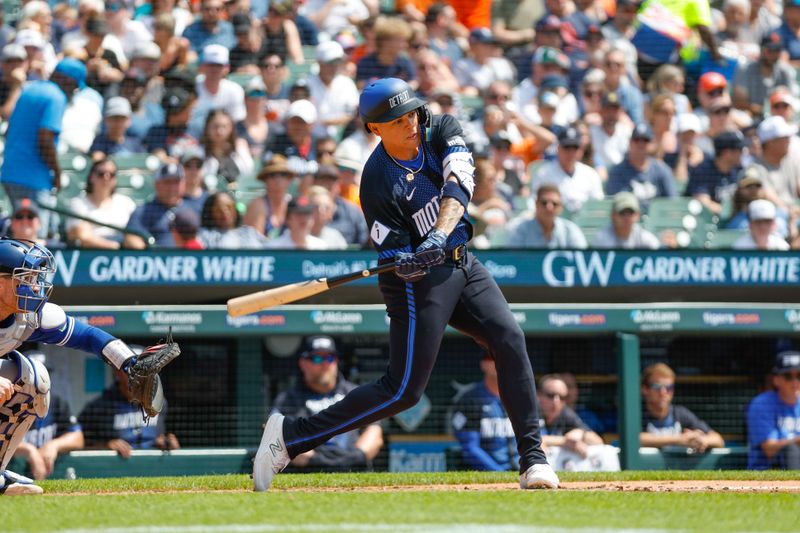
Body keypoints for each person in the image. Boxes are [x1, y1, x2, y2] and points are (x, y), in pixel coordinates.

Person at [253, 77, 560, 492]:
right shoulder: (377, 180)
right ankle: (290, 437)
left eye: (412, 111)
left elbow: (459, 184)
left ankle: (533, 460)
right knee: (403, 391)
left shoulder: (441, 129)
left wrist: (437, 235)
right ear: (375, 128)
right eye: (397, 119)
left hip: (461, 261)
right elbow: (395, 259)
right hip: (417, 284)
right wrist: (409, 260)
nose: (410, 122)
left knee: (509, 338)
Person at [0, 238, 176, 494]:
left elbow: (89, 337)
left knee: (34, 380)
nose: (34, 286)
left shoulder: (27, 318)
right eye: (24, 278)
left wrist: (130, 364)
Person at [1, 58, 86, 240]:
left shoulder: (31, 89)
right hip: (33, 179)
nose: (74, 91)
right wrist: (57, 172)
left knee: (16, 236)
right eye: (75, 87)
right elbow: (45, 137)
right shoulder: (56, 96)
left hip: (10, 174)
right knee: (35, 241)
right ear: (69, 81)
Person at [271, 336, 384, 471]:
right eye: (317, 358)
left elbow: (375, 432)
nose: (325, 364)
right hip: (308, 474)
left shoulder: (355, 393)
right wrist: (318, 461)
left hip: (353, 468)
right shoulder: (287, 399)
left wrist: (355, 458)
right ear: (303, 363)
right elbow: (280, 439)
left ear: (336, 362)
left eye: (330, 358)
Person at [79, 361, 180, 458]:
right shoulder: (97, 408)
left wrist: (168, 443)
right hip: (115, 469)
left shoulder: (159, 403)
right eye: (131, 372)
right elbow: (79, 446)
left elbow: (163, 438)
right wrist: (105, 447)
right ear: (117, 373)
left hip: (153, 468)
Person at [13, 351, 84, 480]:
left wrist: (53, 445)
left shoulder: (56, 403)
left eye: (45, 376)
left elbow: (78, 438)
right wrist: (29, 450)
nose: (41, 383)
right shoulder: (7, 402)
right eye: (35, 378)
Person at [451, 354, 518, 471]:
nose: (498, 363)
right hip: (489, 471)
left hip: (521, 469)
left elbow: (536, 439)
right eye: (492, 359)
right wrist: (499, 473)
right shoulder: (470, 400)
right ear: (483, 364)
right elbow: (470, 448)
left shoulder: (520, 397)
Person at [640, 363, 725, 453]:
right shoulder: (636, 413)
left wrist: (702, 440)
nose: (663, 392)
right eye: (657, 387)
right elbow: (629, 439)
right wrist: (678, 439)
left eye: (669, 387)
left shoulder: (680, 413)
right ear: (645, 389)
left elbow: (718, 439)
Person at [66, 158, 137, 249]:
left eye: (111, 174)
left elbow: (137, 233)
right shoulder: (78, 203)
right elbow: (81, 235)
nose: (106, 178)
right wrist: (114, 246)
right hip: (90, 254)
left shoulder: (126, 203)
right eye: (101, 174)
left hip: (124, 256)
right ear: (91, 177)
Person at [531, 127, 604, 213]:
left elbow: (598, 206)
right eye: (567, 147)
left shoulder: (590, 174)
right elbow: (533, 204)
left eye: (575, 147)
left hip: (586, 223)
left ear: (581, 150)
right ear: (558, 148)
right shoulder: (544, 173)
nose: (571, 152)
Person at [747, 351, 800, 470]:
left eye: (799, 376)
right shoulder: (762, 404)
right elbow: (769, 449)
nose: (795, 382)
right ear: (776, 380)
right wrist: (797, 441)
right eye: (788, 376)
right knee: (790, 449)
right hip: (766, 472)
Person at [606, 124, 678, 209]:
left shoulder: (662, 170)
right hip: (628, 220)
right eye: (637, 140)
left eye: (645, 140)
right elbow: (616, 206)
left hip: (656, 220)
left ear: (651, 143)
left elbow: (672, 203)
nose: (641, 144)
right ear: (630, 142)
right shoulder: (617, 172)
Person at [537, 374, 604, 458]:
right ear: (538, 395)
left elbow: (598, 442)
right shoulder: (530, 412)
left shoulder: (565, 413)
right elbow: (535, 442)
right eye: (550, 395)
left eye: (562, 397)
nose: (556, 401)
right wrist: (565, 441)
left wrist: (582, 434)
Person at [124, 162, 186, 249]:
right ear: (156, 184)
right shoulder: (144, 211)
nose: (172, 188)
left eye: (176, 182)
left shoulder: (192, 206)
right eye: (167, 182)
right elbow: (131, 239)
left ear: (183, 184)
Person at [505, 184, 587, 249]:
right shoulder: (520, 231)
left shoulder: (571, 230)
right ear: (536, 204)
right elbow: (513, 260)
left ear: (561, 207)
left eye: (554, 204)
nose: (549, 208)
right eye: (544, 203)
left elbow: (581, 259)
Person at [198, 191, 270, 249]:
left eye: (229, 207)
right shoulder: (204, 236)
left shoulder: (250, 233)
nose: (225, 212)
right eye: (218, 209)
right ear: (210, 213)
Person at [593, 192, 661, 250]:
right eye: (622, 213)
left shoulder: (642, 235)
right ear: (613, 215)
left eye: (630, 212)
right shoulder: (603, 237)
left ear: (637, 215)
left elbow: (657, 250)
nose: (626, 217)